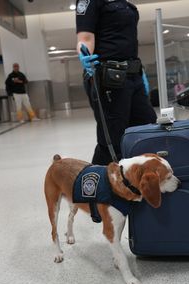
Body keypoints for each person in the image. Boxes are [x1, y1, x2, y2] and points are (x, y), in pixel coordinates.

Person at [76, 0, 157, 165]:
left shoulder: (124, 3)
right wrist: (84, 55)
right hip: (110, 78)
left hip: (134, 74)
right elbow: (85, 37)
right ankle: (99, 185)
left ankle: (138, 178)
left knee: (146, 125)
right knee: (113, 138)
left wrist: (139, 72)